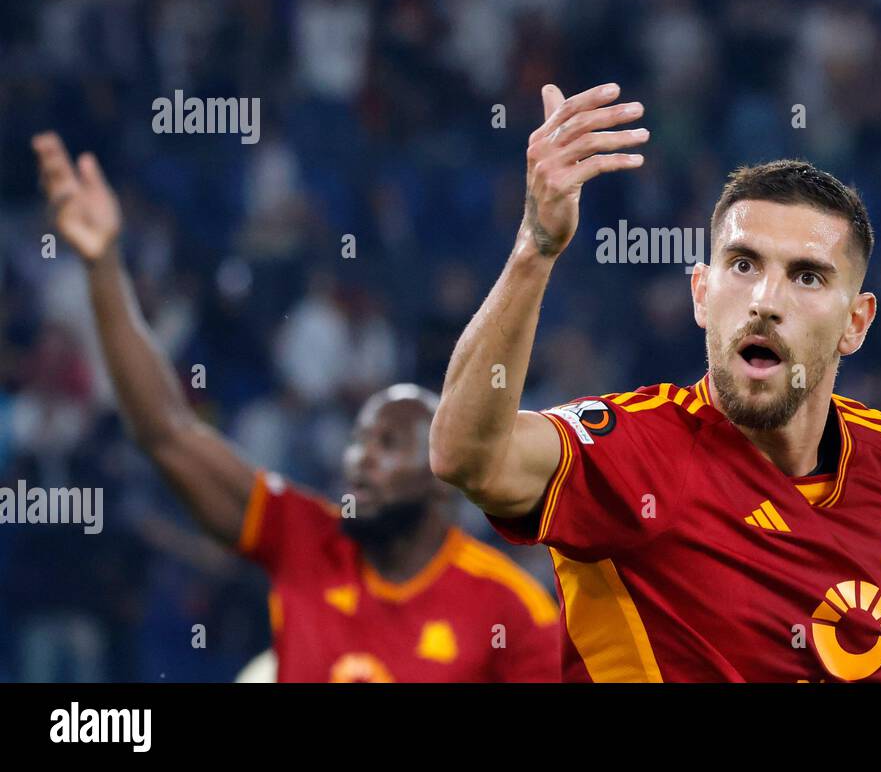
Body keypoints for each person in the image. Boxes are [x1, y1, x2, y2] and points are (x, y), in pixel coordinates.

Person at [430, 82, 881, 681]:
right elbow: (465, 457)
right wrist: (535, 248)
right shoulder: (637, 453)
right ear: (701, 294)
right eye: (743, 265)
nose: (765, 301)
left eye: (806, 277)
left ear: (855, 323)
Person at [32, 132, 560, 682]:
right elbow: (167, 432)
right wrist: (102, 268)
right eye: (359, 441)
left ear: (442, 479)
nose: (359, 459)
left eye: (388, 445)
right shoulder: (305, 539)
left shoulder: (509, 610)